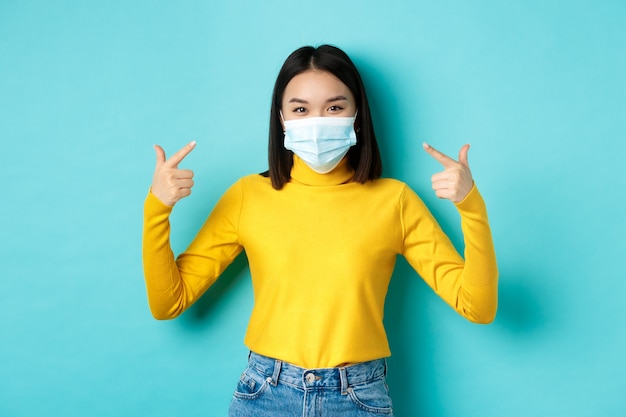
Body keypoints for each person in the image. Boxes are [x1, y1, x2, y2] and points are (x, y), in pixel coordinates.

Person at [142, 45, 498, 417]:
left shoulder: (395, 201)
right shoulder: (248, 196)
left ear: (357, 115)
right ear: (281, 118)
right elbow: (168, 303)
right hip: (266, 392)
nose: (317, 120)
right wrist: (157, 208)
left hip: (358, 397)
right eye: (300, 109)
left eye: (334, 107)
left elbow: (478, 306)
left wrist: (471, 206)